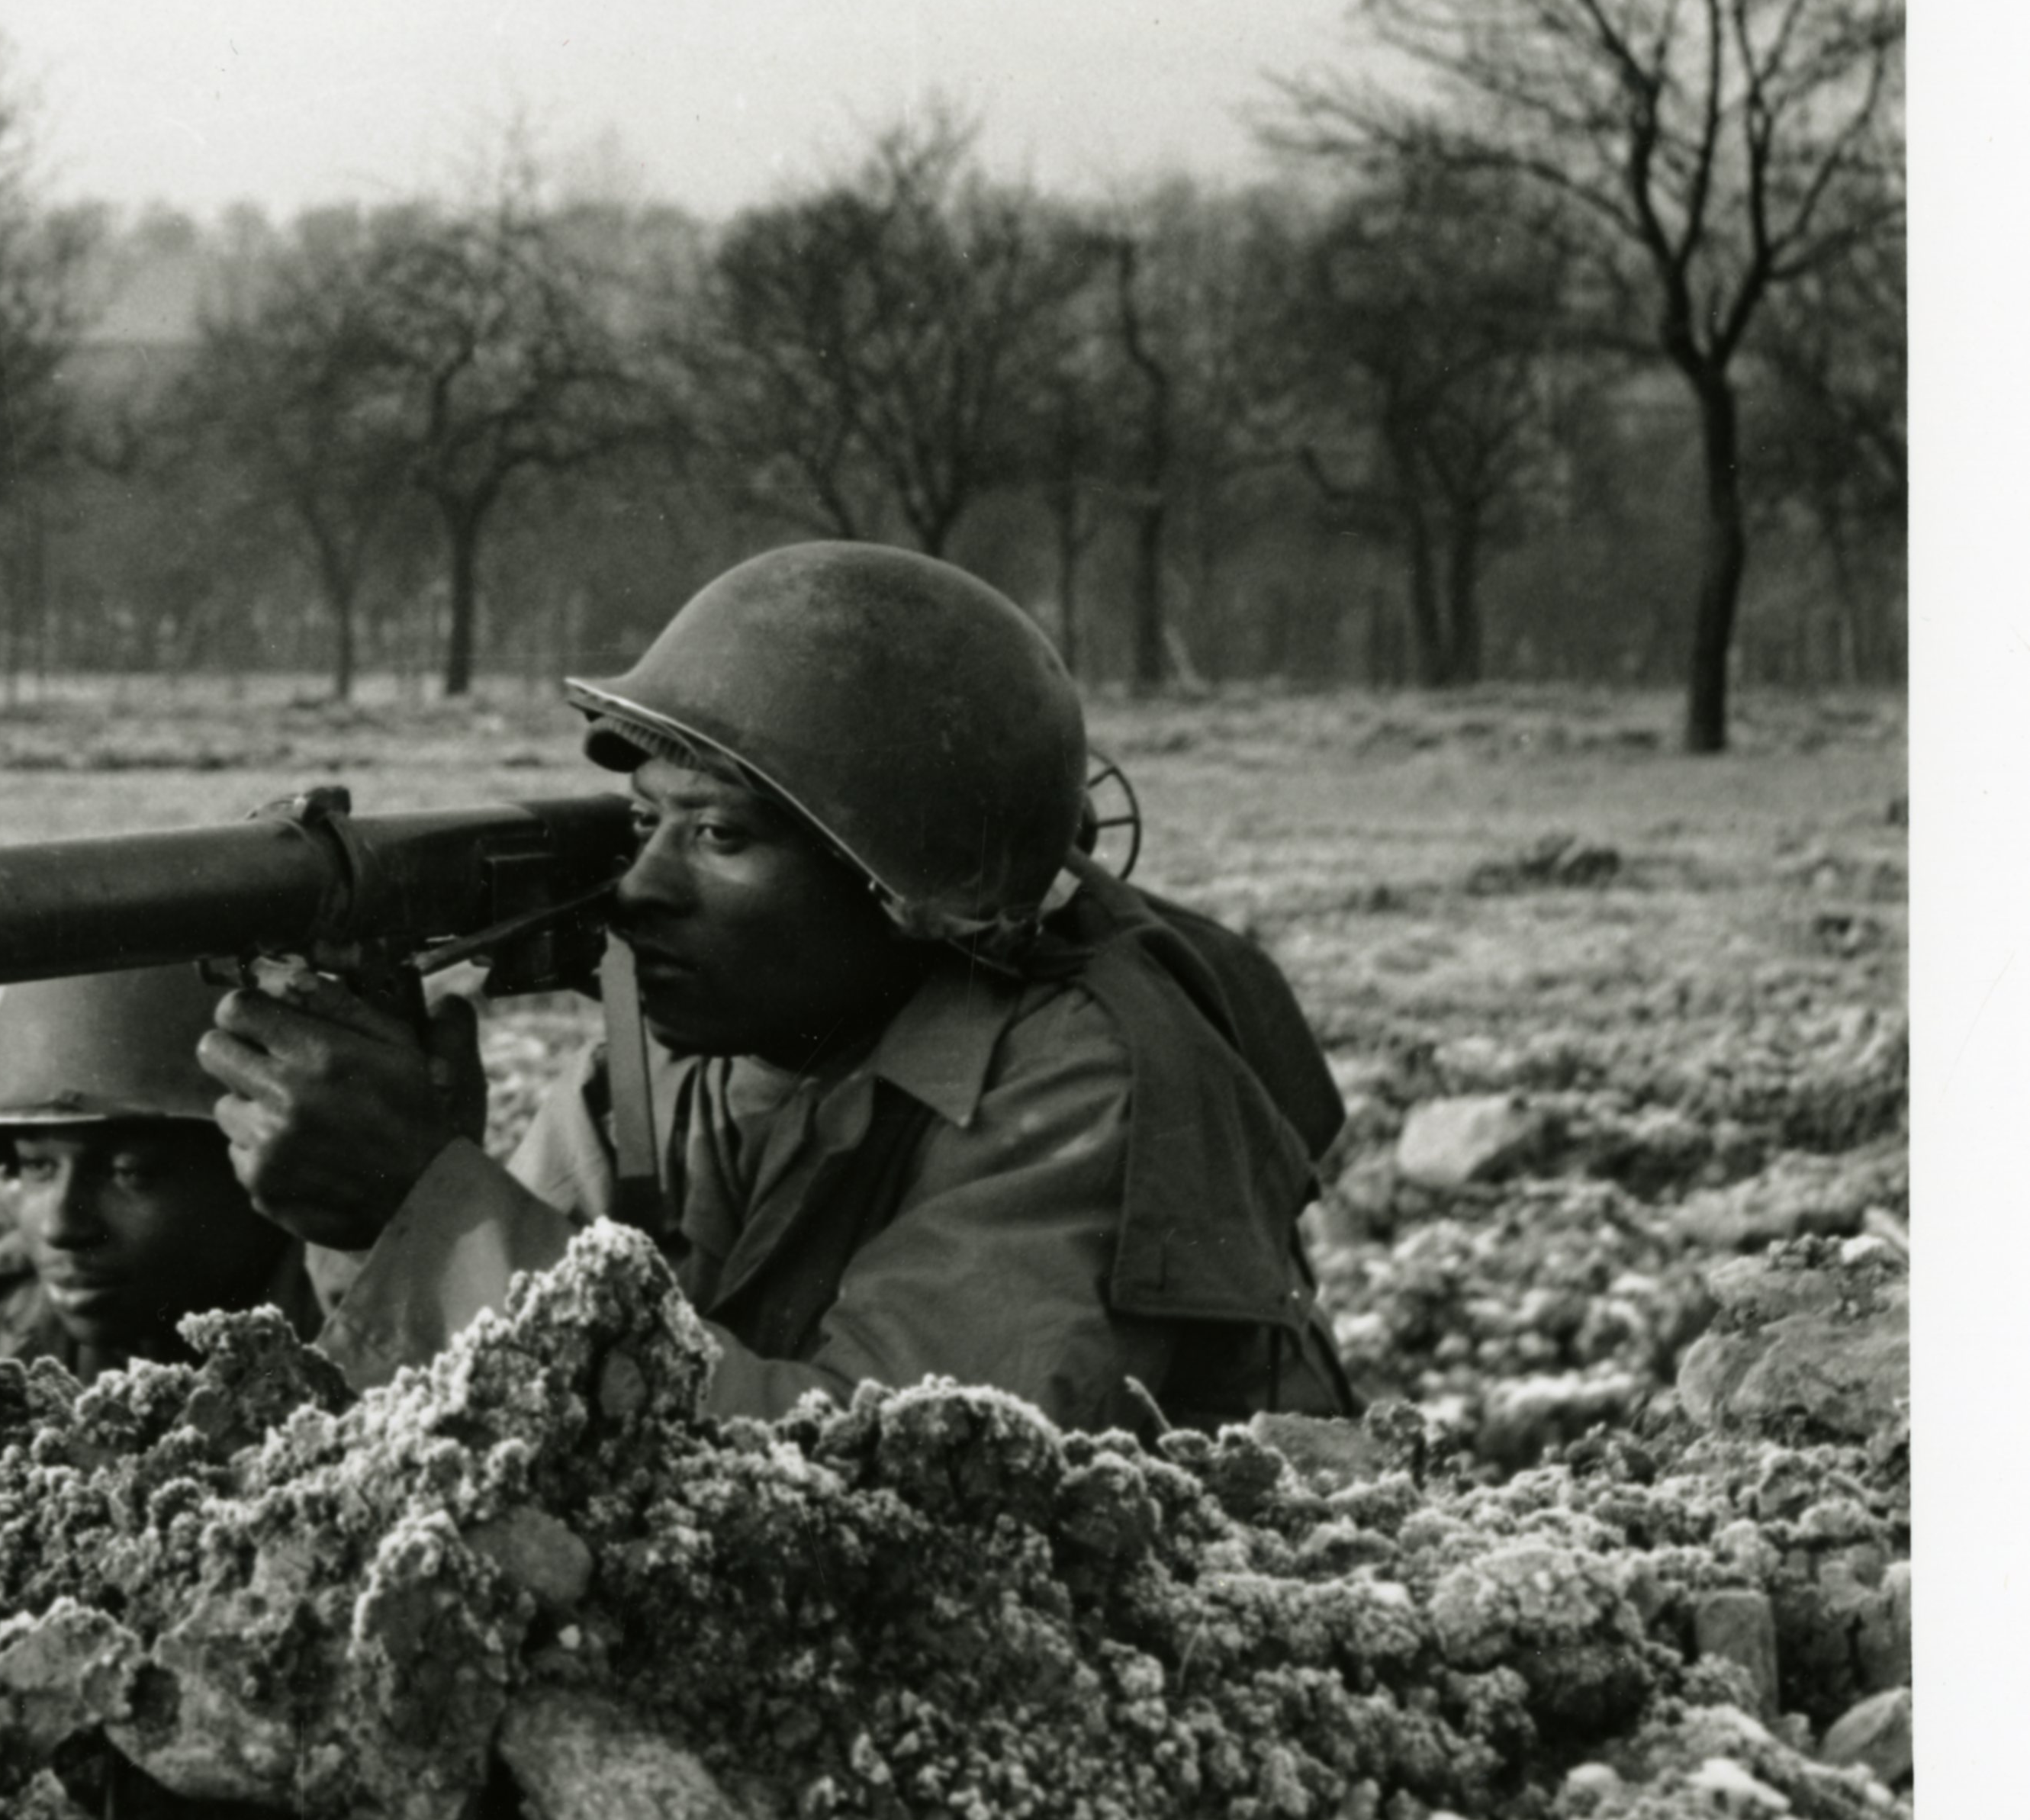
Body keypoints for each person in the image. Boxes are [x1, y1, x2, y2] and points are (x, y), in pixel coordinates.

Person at [198, 541, 1356, 1433]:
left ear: (899, 876)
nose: (637, 887)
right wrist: (374, 1214)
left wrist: (424, 1208)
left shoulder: (1079, 1077)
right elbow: (490, 1421)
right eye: (645, 818)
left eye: (717, 832)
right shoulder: (679, 1059)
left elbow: (870, 1482)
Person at [0, 962, 323, 1375]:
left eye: (130, 1174)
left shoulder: (363, 1343)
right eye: (38, 1166)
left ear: (263, 1167)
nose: (60, 1228)